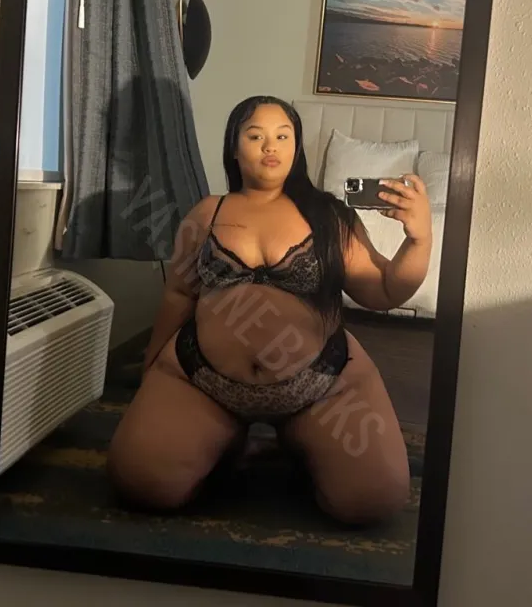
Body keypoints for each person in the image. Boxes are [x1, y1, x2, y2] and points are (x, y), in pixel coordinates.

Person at [107, 95, 432, 525]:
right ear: (233, 147)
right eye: (255, 135)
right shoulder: (207, 213)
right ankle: (227, 435)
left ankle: (298, 437)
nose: (269, 146)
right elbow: (179, 296)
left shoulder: (328, 217)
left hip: (322, 387)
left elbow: (386, 290)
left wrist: (418, 239)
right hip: (203, 381)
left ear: (297, 147)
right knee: (141, 483)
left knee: (375, 500)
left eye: (283, 136)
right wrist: (151, 371)